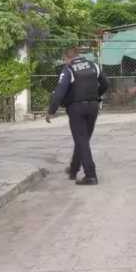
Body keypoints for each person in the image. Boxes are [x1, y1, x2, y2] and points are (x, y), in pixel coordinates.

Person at [47, 48, 109, 185]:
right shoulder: (93, 66)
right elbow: (105, 84)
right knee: (83, 140)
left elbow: (59, 92)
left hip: (76, 109)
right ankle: (74, 169)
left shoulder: (69, 69)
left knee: (82, 140)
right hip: (93, 107)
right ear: (78, 56)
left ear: (67, 58)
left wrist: (51, 110)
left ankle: (91, 175)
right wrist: (96, 95)